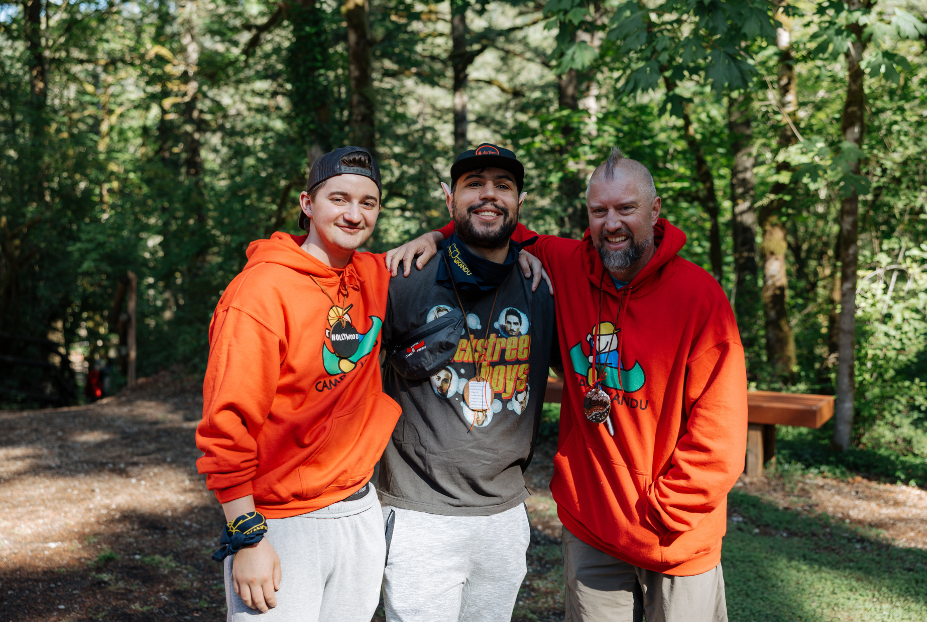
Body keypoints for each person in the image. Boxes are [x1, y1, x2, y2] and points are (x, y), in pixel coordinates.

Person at [388, 148, 748, 622]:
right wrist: (437, 236)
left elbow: (720, 433)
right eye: (599, 211)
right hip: (592, 531)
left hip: (676, 537)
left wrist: (665, 514)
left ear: (655, 211)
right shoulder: (566, 264)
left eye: (626, 208)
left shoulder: (700, 297)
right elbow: (490, 224)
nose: (612, 223)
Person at [195, 146, 403, 622]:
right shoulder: (259, 293)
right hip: (282, 523)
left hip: (358, 511)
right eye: (339, 198)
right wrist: (246, 536)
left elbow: (453, 247)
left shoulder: (370, 274)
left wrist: (440, 234)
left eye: (368, 203)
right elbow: (226, 425)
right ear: (308, 204)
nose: (354, 214)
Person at [378, 143, 556, 622]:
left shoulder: (542, 285)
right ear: (449, 197)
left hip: (504, 516)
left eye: (503, 185)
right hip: (420, 514)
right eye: (473, 184)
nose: (488, 195)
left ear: (520, 201)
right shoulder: (405, 277)